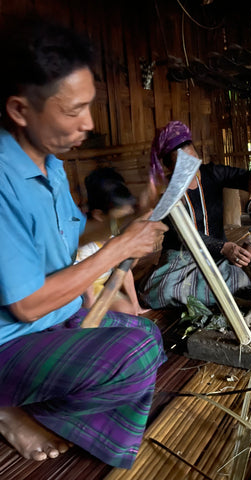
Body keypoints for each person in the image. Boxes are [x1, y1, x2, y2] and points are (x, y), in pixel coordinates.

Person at [0, 18, 168, 469]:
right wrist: (119, 249)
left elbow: (76, 238)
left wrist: (135, 219)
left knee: (149, 335)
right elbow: (27, 306)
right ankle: (8, 408)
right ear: (20, 110)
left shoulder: (51, 165)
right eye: (74, 111)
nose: (89, 124)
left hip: (56, 322)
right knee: (134, 356)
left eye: (90, 107)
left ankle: (38, 397)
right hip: (11, 340)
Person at [138, 120, 251, 309]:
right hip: (181, 257)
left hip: (217, 255)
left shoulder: (212, 173)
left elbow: (245, 176)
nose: (191, 169)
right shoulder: (167, 193)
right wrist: (224, 247)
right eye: (182, 166)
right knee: (158, 293)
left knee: (242, 281)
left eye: (193, 160)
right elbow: (185, 236)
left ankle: (202, 288)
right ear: (169, 167)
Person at [77, 166, 148, 315]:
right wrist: (89, 313)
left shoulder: (111, 233)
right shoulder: (85, 244)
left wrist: (136, 307)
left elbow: (124, 269)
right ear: (98, 215)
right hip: (80, 295)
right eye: (119, 219)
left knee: (128, 310)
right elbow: (85, 284)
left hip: (101, 288)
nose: (122, 224)